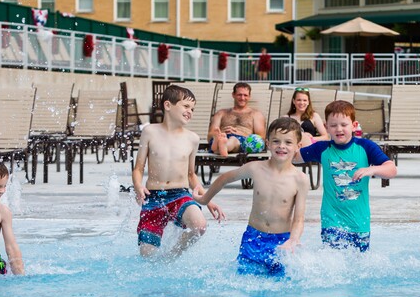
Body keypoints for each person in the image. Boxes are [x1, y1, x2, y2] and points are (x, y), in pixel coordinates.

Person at [194, 117, 309, 276]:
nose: (281, 146)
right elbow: (225, 178)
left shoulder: (300, 180)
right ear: (267, 143)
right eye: (276, 141)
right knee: (246, 281)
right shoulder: (255, 168)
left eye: (288, 142)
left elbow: (299, 218)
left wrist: (293, 240)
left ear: (298, 146)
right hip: (253, 238)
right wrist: (205, 199)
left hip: (282, 241)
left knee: (279, 286)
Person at [294, 100, 397, 252]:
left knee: (358, 266)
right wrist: (293, 141)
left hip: (359, 221)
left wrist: (371, 170)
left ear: (354, 125)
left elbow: (392, 170)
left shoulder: (366, 147)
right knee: (334, 264)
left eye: (344, 124)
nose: (339, 129)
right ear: (326, 126)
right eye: (333, 125)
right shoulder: (322, 148)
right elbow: (294, 157)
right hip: (331, 220)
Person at [132, 85, 222, 258]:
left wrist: (207, 199)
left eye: (192, 109)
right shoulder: (150, 132)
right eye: (186, 106)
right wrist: (138, 186)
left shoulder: (192, 139)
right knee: (147, 257)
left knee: (200, 226)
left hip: (179, 195)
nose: (190, 111)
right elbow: (138, 168)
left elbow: (191, 174)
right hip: (153, 197)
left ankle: (171, 256)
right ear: (168, 105)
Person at [208, 82, 267, 157]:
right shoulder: (221, 113)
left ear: (249, 96)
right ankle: (221, 145)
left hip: (243, 140)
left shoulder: (256, 114)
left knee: (233, 139)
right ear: (233, 95)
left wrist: (240, 133)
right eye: (239, 95)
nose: (242, 98)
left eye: (245, 95)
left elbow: (261, 138)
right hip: (221, 137)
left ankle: (222, 146)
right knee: (219, 139)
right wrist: (218, 135)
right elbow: (210, 135)